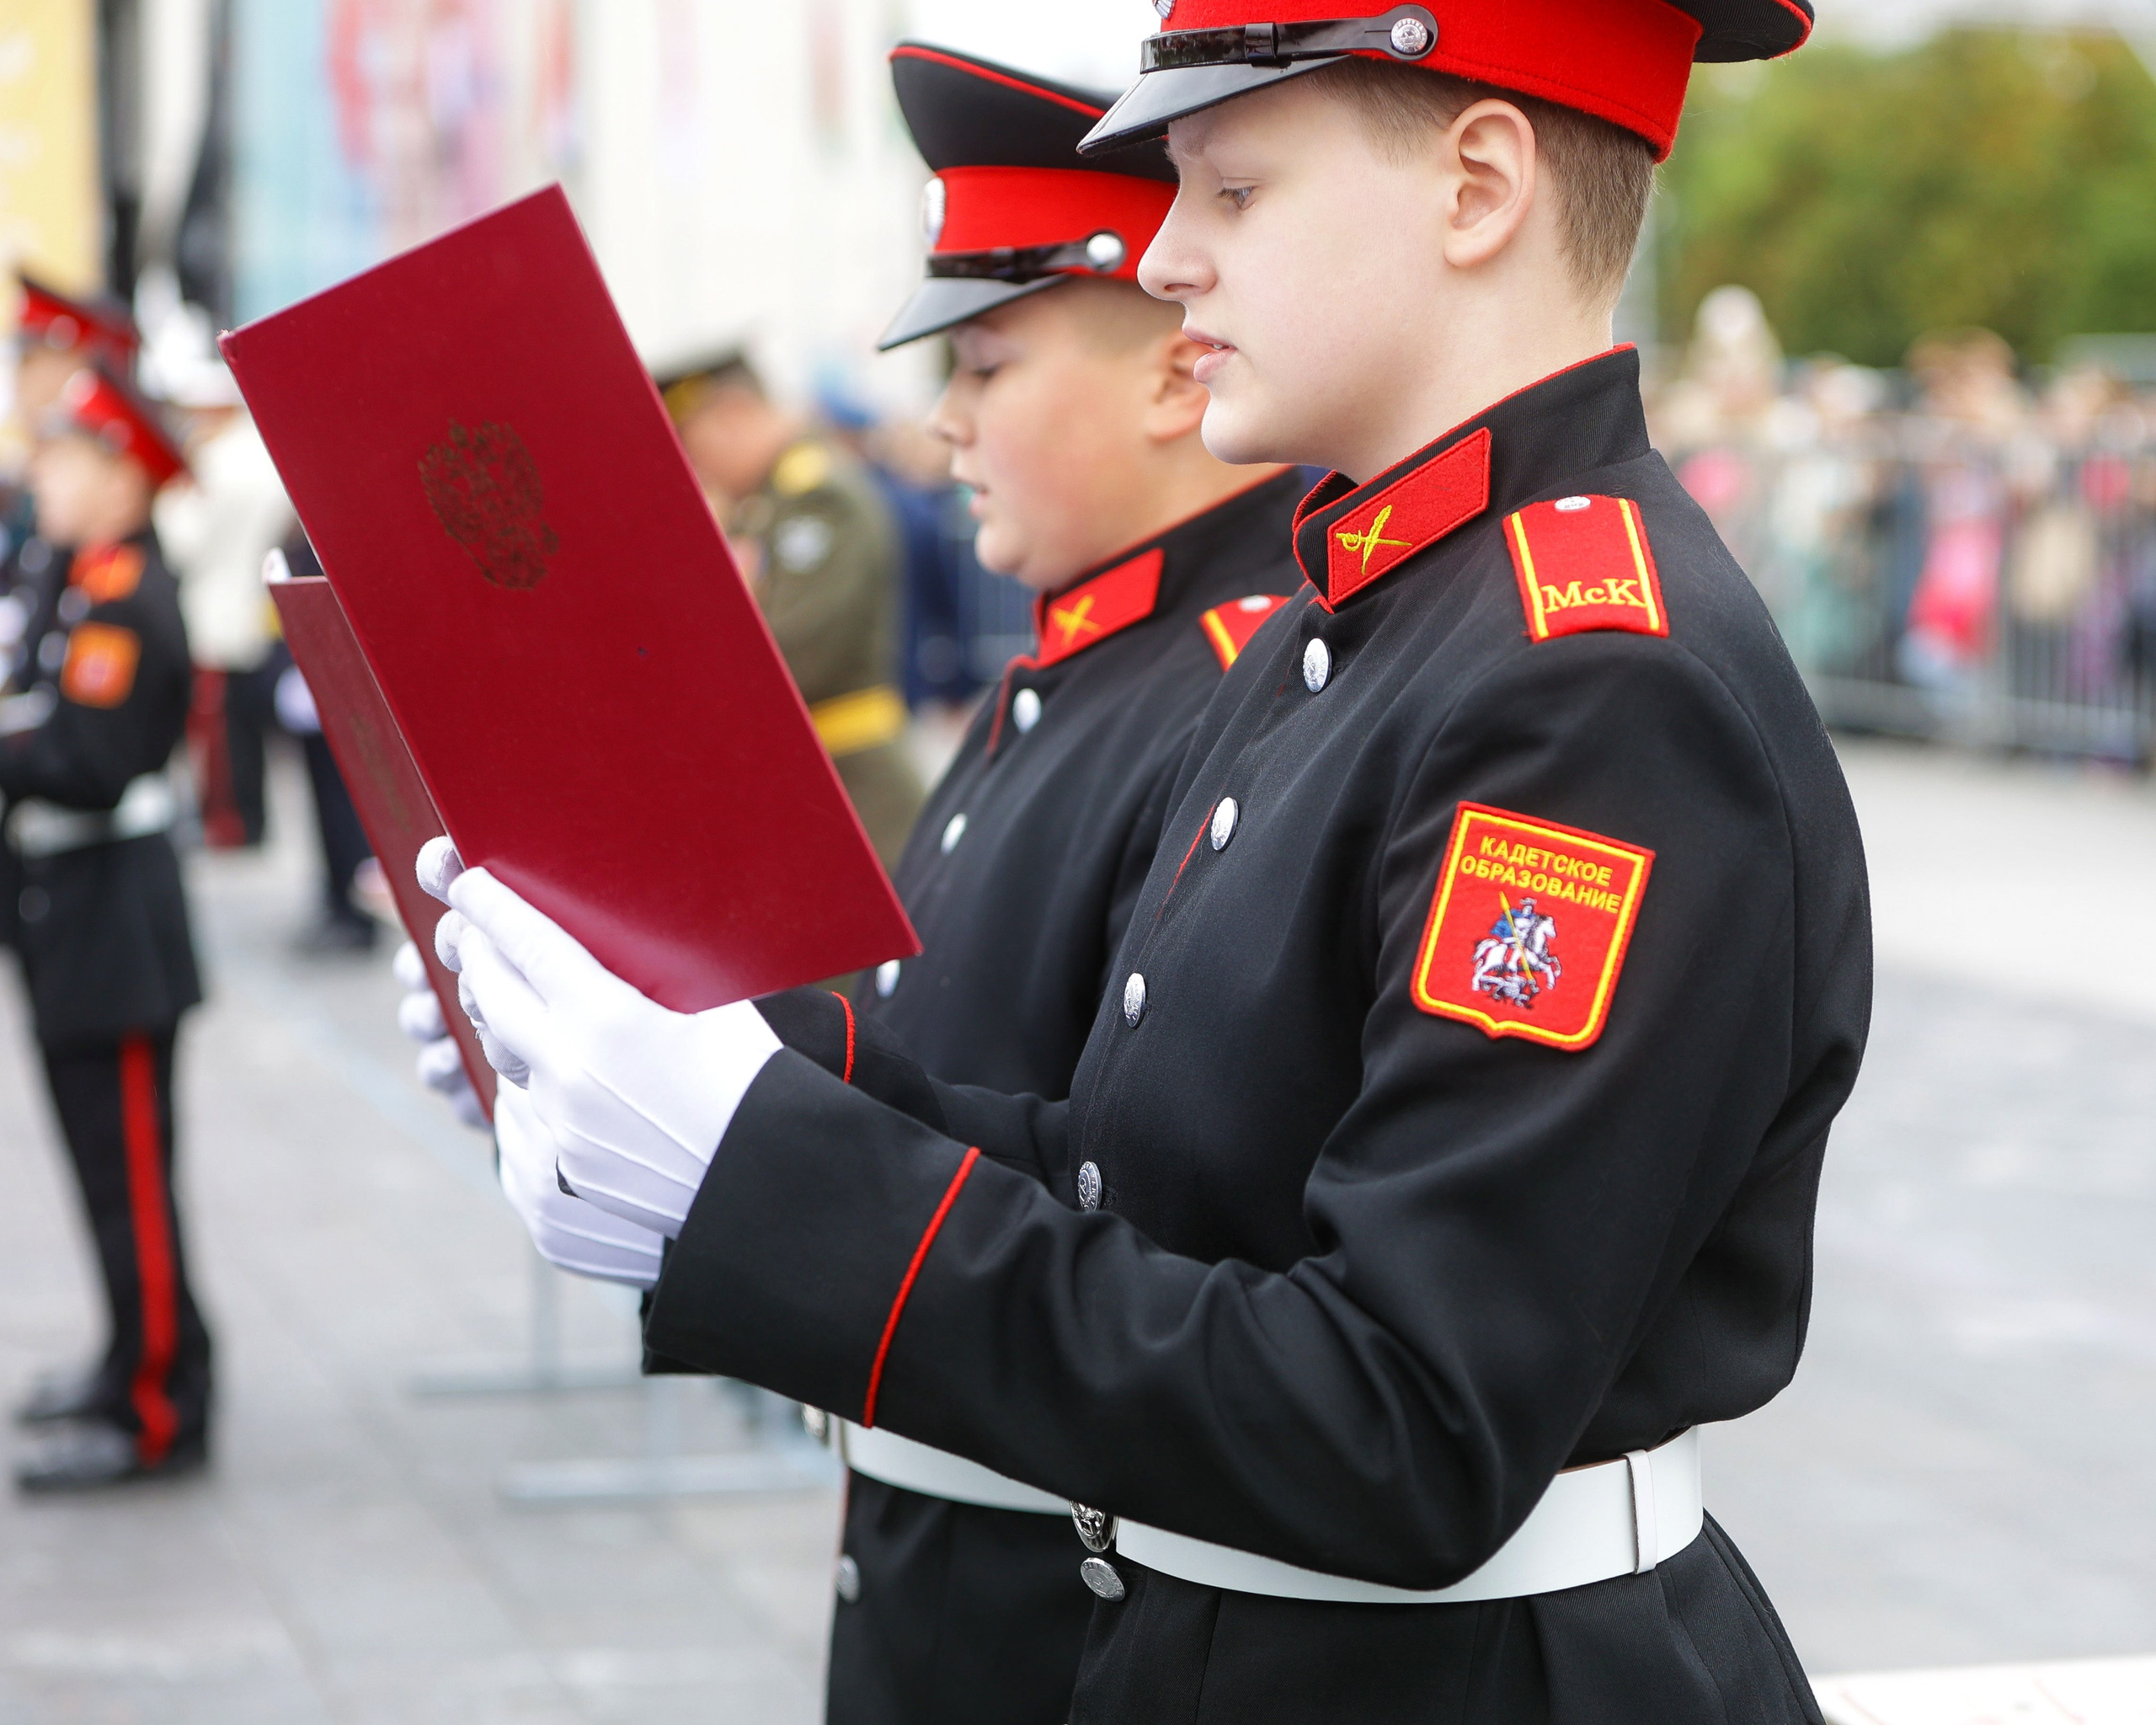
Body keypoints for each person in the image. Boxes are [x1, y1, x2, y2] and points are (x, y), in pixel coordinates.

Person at [432, 1, 1873, 1719]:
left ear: (1477, 186)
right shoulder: (1368, 621)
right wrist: (706, 1059)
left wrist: (762, 1175)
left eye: (1232, 189)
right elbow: (1131, 1176)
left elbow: (1401, 1414)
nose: (1171, 258)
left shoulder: (1592, 687)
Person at [3, 363, 210, 1491]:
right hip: (69, 914)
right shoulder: (80, 579)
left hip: (111, 921)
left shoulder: (127, 594)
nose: (44, 477)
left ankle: (160, 1406)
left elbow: (87, 759)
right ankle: (129, 1357)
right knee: (102, 1173)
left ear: (123, 478)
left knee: (131, 1179)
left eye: (67, 459)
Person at [656, 349, 924, 867]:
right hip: (816, 785)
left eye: (691, 443)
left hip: (857, 792)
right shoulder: (768, 505)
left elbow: (791, 656)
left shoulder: (818, 499)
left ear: (734, 414)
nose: (694, 467)